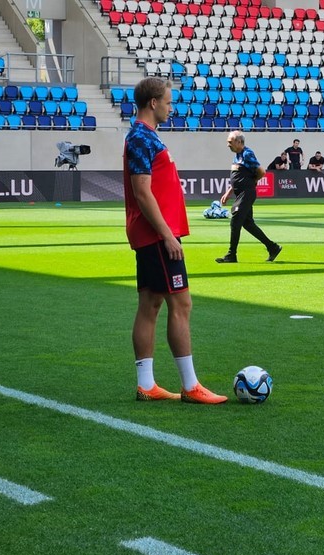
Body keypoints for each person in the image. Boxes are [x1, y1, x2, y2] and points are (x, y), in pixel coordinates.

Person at [123, 77, 227, 404]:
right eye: (168, 102)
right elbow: (142, 192)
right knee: (181, 304)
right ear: (153, 103)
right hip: (157, 235)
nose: (171, 107)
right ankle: (190, 385)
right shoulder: (141, 137)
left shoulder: (145, 136)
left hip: (154, 233)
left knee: (150, 304)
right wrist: (168, 235)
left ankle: (146, 384)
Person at [216, 131, 282, 264]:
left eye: (230, 142)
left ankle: (231, 255)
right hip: (241, 193)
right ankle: (272, 247)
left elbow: (261, 171)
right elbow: (239, 177)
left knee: (235, 220)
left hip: (246, 193)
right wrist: (229, 192)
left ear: (239, 142)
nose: (228, 144)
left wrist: (253, 182)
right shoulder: (238, 155)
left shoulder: (247, 154)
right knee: (247, 223)